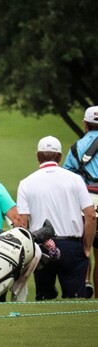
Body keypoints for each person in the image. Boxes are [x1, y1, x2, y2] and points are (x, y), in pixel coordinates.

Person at [18, 136, 96, 299]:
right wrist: (87, 247)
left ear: (38, 156)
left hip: (41, 247)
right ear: (60, 157)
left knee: (44, 298)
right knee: (75, 301)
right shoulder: (76, 180)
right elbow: (90, 216)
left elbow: (22, 223)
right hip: (72, 246)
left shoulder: (26, 183)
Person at [64, 106, 98, 297]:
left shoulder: (77, 147)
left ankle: (85, 282)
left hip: (86, 202)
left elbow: (67, 178)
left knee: (85, 247)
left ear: (85, 124)